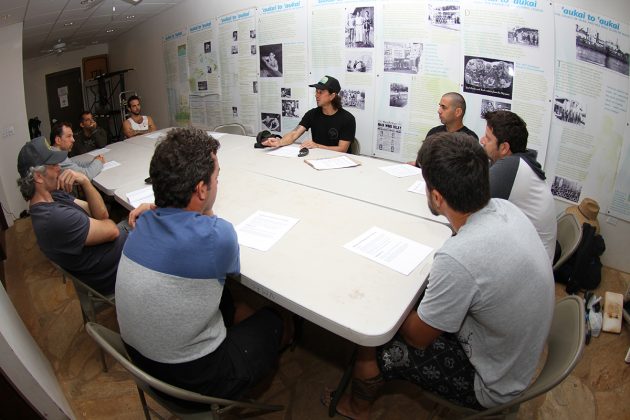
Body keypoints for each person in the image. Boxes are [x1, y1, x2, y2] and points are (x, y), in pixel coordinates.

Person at [322, 132, 554, 419]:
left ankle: (357, 408)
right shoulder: (507, 209)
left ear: (436, 196)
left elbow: (418, 339)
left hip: (492, 383)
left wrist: (383, 297)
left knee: (373, 341)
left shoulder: (459, 257)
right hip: (516, 354)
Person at [115, 128, 290, 399]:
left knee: (224, 296)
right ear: (200, 189)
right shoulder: (216, 236)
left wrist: (165, 206)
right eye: (216, 177)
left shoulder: (140, 221)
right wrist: (205, 207)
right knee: (277, 320)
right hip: (193, 378)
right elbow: (222, 253)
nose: (218, 183)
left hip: (140, 363)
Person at [16, 136, 126, 295]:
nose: (59, 168)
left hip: (113, 251)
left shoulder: (54, 196)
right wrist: (105, 223)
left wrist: (85, 181)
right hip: (118, 270)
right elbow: (111, 228)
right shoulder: (54, 218)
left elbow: (101, 214)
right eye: (53, 165)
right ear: (38, 176)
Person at [480, 110, 557, 262]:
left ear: (504, 148)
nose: (482, 140)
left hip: (532, 264)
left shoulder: (510, 166)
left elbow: (468, 202)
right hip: (529, 249)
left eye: (488, 138)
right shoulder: (519, 160)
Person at [262, 75, 356, 153]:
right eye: (316, 91)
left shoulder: (347, 119)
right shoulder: (312, 114)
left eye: (321, 92)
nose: (316, 95)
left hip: (338, 162)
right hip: (316, 158)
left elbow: (342, 149)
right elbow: (294, 133)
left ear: (332, 96)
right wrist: (279, 142)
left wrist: (317, 146)